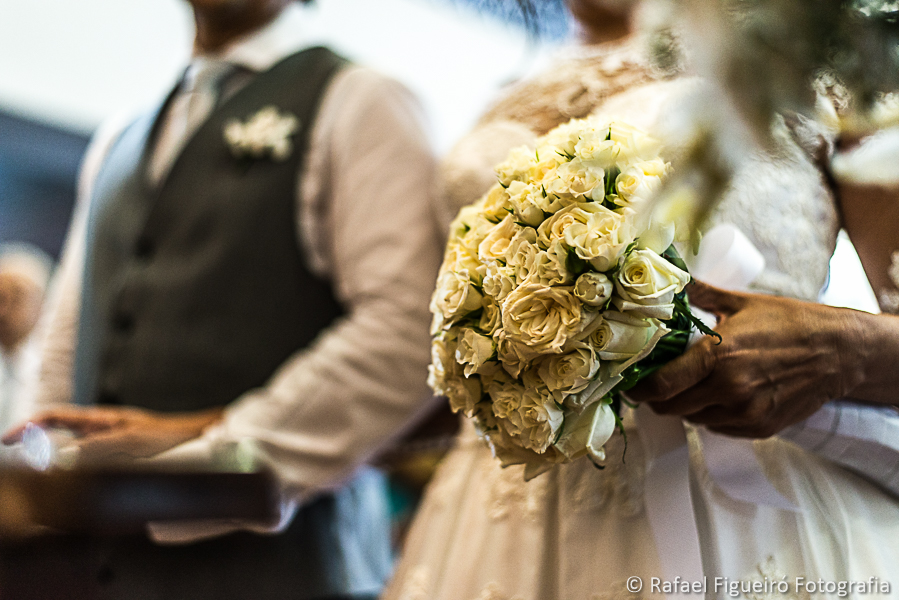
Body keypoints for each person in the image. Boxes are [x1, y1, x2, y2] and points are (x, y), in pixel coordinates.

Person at [382, 1, 899, 598]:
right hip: (495, 518)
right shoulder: (507, 93)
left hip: (749, 496)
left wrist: (845, 349)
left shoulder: (816, 52)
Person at [2, 0, 441, 598]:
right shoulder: (121, 137)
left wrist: (208, 460)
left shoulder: (360, 101)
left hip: (284, 571)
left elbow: (407, 328)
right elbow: (71, 332)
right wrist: (42, 474)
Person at [0, 244, 52, 447]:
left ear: (42, 302)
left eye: (18, 296)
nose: (3, 310)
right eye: (0, 297)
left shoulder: (57, 373)